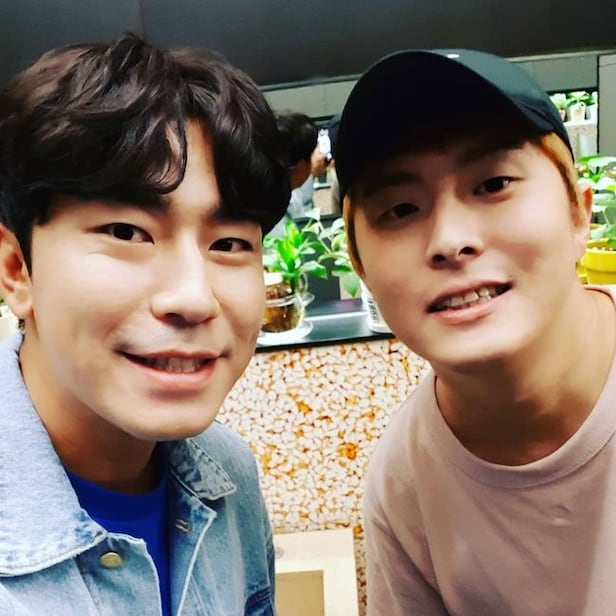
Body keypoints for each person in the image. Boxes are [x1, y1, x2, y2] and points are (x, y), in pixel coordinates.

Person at [0, 32, 289, 615]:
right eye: (127, 233)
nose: (193, 298)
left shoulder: (228, 474)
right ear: (16, 270)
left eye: (229, 243)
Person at [335, 49, 616, 615]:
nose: (450, 240)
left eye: (493, 183)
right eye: (400, 209)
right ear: (361, 267)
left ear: (578, 215)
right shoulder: (406, 480)